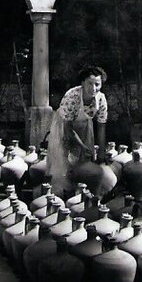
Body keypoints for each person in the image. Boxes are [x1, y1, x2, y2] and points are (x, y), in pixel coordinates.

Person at [46, 65, 108, 196]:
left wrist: (102, 153)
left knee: (85, 162)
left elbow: (101, 126)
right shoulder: (72, 96)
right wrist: (82, 147)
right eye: (90, 83)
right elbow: (68, 130)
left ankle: (82, 195)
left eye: (97, 84)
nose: (93, 88)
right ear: (82, 83)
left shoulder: (101, 99)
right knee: (63, 163)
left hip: (84, 127)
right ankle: (61, 196)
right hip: (63, 127)